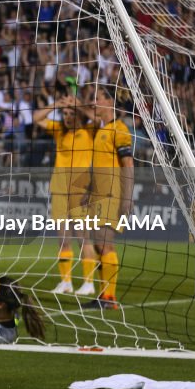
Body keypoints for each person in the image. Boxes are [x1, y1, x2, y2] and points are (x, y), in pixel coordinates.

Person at [33, 94, 98, 296]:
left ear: (79, 115)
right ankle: (66, 282)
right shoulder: (59, 130)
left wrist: (79, 104)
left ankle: (89, 283)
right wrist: (56, 104)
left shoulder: (89, 131)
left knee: (83, 238)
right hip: (59, 188)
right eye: (65, 114)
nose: (67, 117)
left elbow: (97, 119)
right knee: (63, 239)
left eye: (71, 114)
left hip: (80, 190)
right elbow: (36, 118)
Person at [77, 83, 135, 310]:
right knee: (100, 245)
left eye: (98, 98)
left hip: (112, 196)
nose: (94, 102)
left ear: (110, 102)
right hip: (98, 196)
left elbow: (128, 164)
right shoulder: (101, 130)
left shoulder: (119, 128)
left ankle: (109, 298)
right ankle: (104, 295)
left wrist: (127, 198)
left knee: (104, 244)